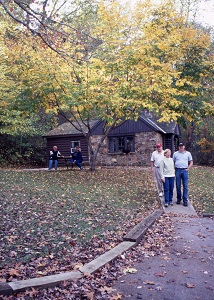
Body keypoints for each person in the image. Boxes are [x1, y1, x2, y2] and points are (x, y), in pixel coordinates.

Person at [173, 142, 193, 207]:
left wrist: (188, 168)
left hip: (185, 170)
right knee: (178, 185)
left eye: (182, 146)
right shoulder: (175, 153)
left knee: (185, 186)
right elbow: (172, 161)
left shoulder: (188, 153)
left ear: (184, 147)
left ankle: (185, 200)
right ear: (178, 147)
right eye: (180, 146)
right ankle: (179, 199)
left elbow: (191, 162)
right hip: (177, 170)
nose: (181, 147)